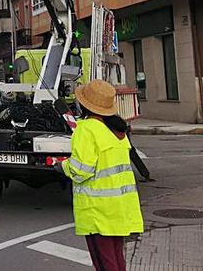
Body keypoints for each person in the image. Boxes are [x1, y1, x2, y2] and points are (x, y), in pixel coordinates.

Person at [58, 80, 143, 271]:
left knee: (104, 263)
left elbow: (81, 170)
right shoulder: (117, 130)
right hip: (119, 208)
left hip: (98, 211)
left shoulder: (87, 129)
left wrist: (62, 166)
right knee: (116, 259)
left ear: (84, 104)